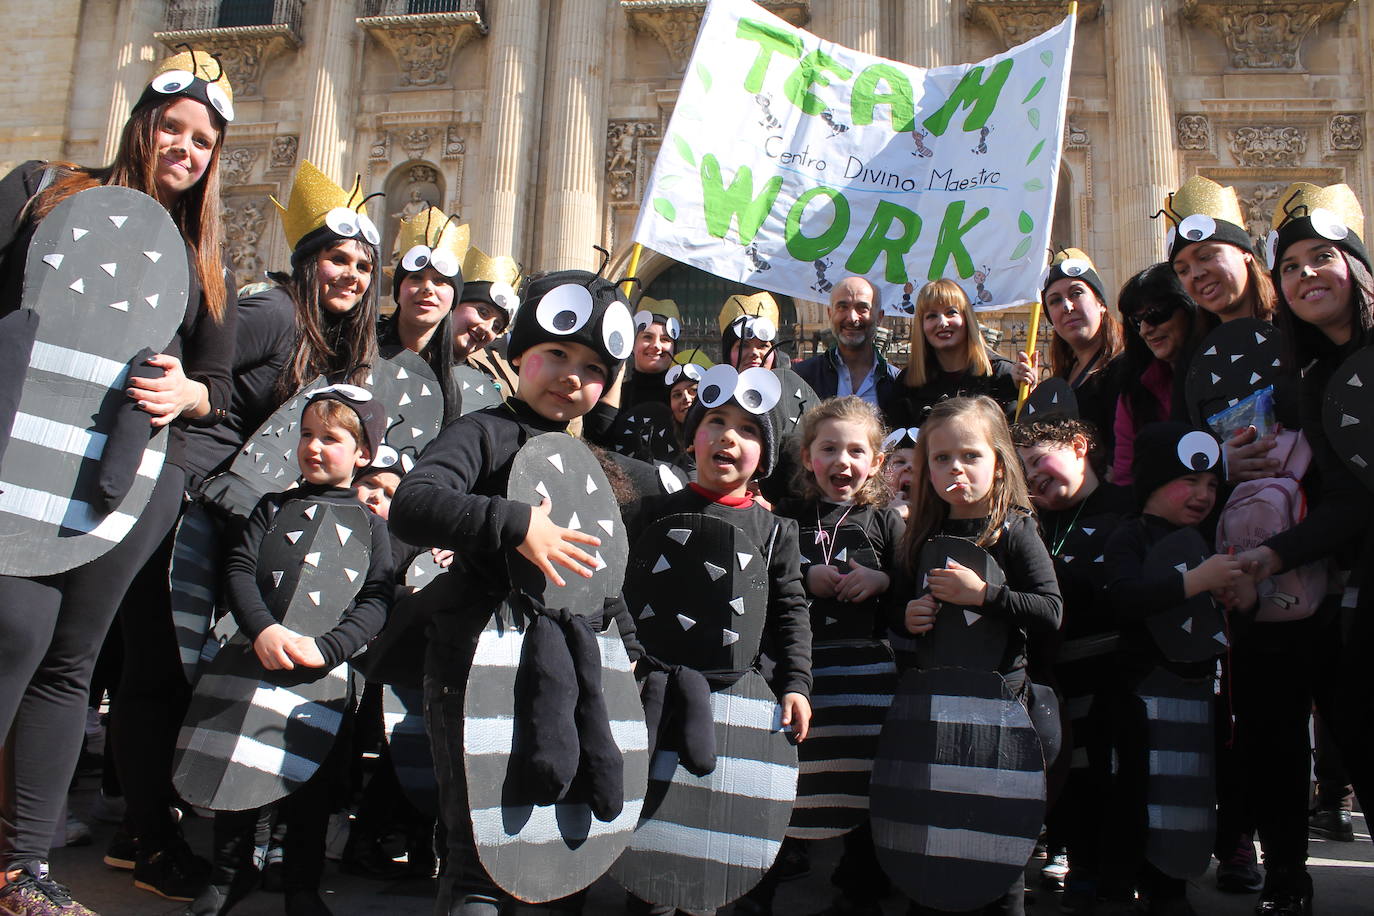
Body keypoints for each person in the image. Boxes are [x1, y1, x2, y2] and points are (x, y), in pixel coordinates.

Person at [105, 158, 384, 903]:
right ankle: (146, 840)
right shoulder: (276, 312)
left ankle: (156, 828)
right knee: (155, 677)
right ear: (306, 260)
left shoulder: (327, 339)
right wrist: (193, 391)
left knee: (181, 676)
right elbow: (202, 356)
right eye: (336, 257)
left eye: (361, 263)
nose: (349, 274)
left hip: (234, 516)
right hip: (187, 499)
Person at [0, 49, 236, 915]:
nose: (183, 147)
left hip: (121, 487)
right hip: (18, 464)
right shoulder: (43, 191)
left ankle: (20, 870)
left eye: (202, 140)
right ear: (141, 122)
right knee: (13, 637)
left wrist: (191, 393)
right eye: (171, 127)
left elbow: (221, 386)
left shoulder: (201, 259)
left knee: (68, 665)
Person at [386, 269, 641, 916]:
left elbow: (602, 579)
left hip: (574, 676)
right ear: (519, 352)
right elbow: (414, 506)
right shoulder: (482, 431)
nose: (570, 376)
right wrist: (517, 522)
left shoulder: (590, 461)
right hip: (478, 666)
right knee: (480, 850)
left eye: (591, 368)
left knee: (563, 853)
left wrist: (627, 652)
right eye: (557, 353)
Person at [188, 386, 394, 916]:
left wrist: (331, 648)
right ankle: (228, 875)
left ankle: (301, 884)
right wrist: (261, 629)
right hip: (254, 659)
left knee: (311, 788)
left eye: (331, 438)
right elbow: (239, 568)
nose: (314, 447)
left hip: (320, 681)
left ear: (363, 453)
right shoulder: (272, 506)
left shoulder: (372, 526)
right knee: (239, 765)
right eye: (306, 435)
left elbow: (376, 599)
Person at [1227, 182, 1374, 915]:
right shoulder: (1303, 376)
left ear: (1356, 267)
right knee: (1273, 730)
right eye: (1291, 267)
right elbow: (1341, 492)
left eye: (1324, 258)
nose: (1307, 275)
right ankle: (1286, 879)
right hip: (1319, 582)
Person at [625, 364, 812, 916]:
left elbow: (790, 612)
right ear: (692, 439)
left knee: (717, 830)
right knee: (652, 824)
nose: (729, 436)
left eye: (749, 429)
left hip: (735, 698)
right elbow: (625, 598)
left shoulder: (777, 531)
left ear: (764, 457)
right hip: (655, 698)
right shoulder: (651, 514)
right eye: (715, 422)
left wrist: (797, 684)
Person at [893, 396, 1062, 916]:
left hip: (1000, 706)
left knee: (995, 837)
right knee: (936, 828)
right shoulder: (922, 533)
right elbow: (900, 611)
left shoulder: (1014, 530)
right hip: (935, 707)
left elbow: (1050, 611)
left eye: (969, 456)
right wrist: (909, 619)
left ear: (998, 461)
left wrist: (984, 595)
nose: (955, 470)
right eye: (940, 459)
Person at [1099, 422, 1247, 916]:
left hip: (1193, 695)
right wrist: (1195, 581)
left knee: (1183, 795)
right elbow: (1124, 599)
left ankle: (1169, 889)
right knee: (1136, 795)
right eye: (1191, 481)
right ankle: (1121, 886)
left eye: (1212, 485)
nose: (1204, 495)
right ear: (1155, 482)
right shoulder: (1130, 537)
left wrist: (1230, 594)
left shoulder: (1200, 541)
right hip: (1138, 694)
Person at [775, 396, 902, 916]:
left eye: (856, 450)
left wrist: (883, 579)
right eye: (829, 449)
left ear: (874, 461)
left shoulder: (884, 522)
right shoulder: (788, 518)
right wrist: (805, 575)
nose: (842, 461)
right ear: (808, 458)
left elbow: (912, 585)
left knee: (863, 782)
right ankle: (779, 867)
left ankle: (860, 891)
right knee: (798, 777)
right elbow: (770, 579)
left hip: (868, 674)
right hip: (805, 672)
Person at [1012, 417, 1133, 910]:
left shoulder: (1125, 509)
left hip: (1114, 673)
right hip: (1057, 674)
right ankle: (1077, 864)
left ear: (1080, 446)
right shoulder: (1031, 521)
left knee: (1114, 778)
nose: (1034, 479)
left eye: (1039, 461)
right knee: (1071, 776)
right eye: (1023, 473)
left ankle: (1115, 877)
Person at [1013, 250, 1124, 465]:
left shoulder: (1126, 367)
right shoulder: (1064, 378)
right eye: (1054, 301)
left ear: (1101, 303)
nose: (1067, 306)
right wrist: (1035, 397)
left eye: (1076, 293)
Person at [1110, 265, 1211, 484]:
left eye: (1156, 315)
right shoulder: (1134, 393)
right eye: (1137, 322)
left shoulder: (1221, 368)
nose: (1146, 330)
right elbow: (1125, 477)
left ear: (1188, 307)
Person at [380, 204, 468, 425]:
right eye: (416, 278)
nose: (427, 288)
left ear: (453, 300)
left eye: (440, 281)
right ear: (398, 290)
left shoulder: (462, 379)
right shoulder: (361, 350)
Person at [891, 280, 1017, 429]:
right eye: (931, 316)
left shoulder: (1004, 375)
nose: (942, 323)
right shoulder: (908, 382)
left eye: (951, 312)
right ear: (922, 326)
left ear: (967, 318)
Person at [1164, 176, 1275, 325]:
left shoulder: (1300, 328)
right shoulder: (1194, 346)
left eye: (1205, 257)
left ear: (1245, 252)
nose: (1196, 274)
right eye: (1183, 270)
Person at [793, 277, 901, 418]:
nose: (851, 318)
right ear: (830, 314)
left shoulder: (898, 384)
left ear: (879, 317)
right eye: (842, 307)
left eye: (862, 308)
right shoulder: (803, 376)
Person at [719, 291, 782, 370]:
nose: (754, 352)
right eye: (743, 346)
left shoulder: (792, 382)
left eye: (763, 346)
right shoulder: (709, 382)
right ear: (728, 353)